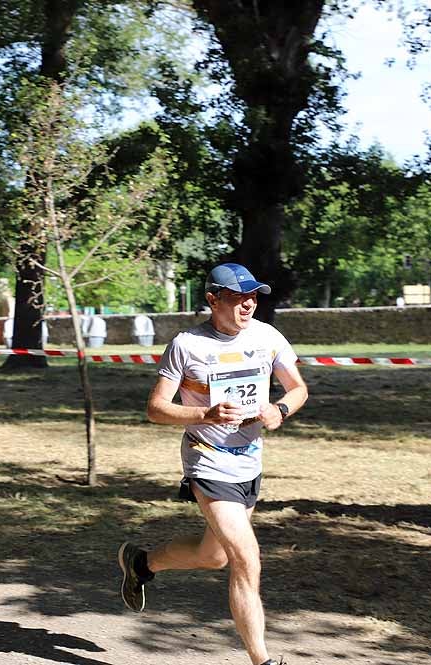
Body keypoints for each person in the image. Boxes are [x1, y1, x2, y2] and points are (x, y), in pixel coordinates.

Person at [118, 263, 309, 665]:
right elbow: (155, 409)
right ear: (213, 299)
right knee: (246, 557)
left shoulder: (267, 335)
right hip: (207, 460)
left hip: (249, 461)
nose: (249, 305)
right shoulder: (188, 345)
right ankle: (263, 661)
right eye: (240, 298)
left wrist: (280, 410)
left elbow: (297, 388)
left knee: (216, 556)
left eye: (254, 297)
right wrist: (205, 414)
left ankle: (142, 563)